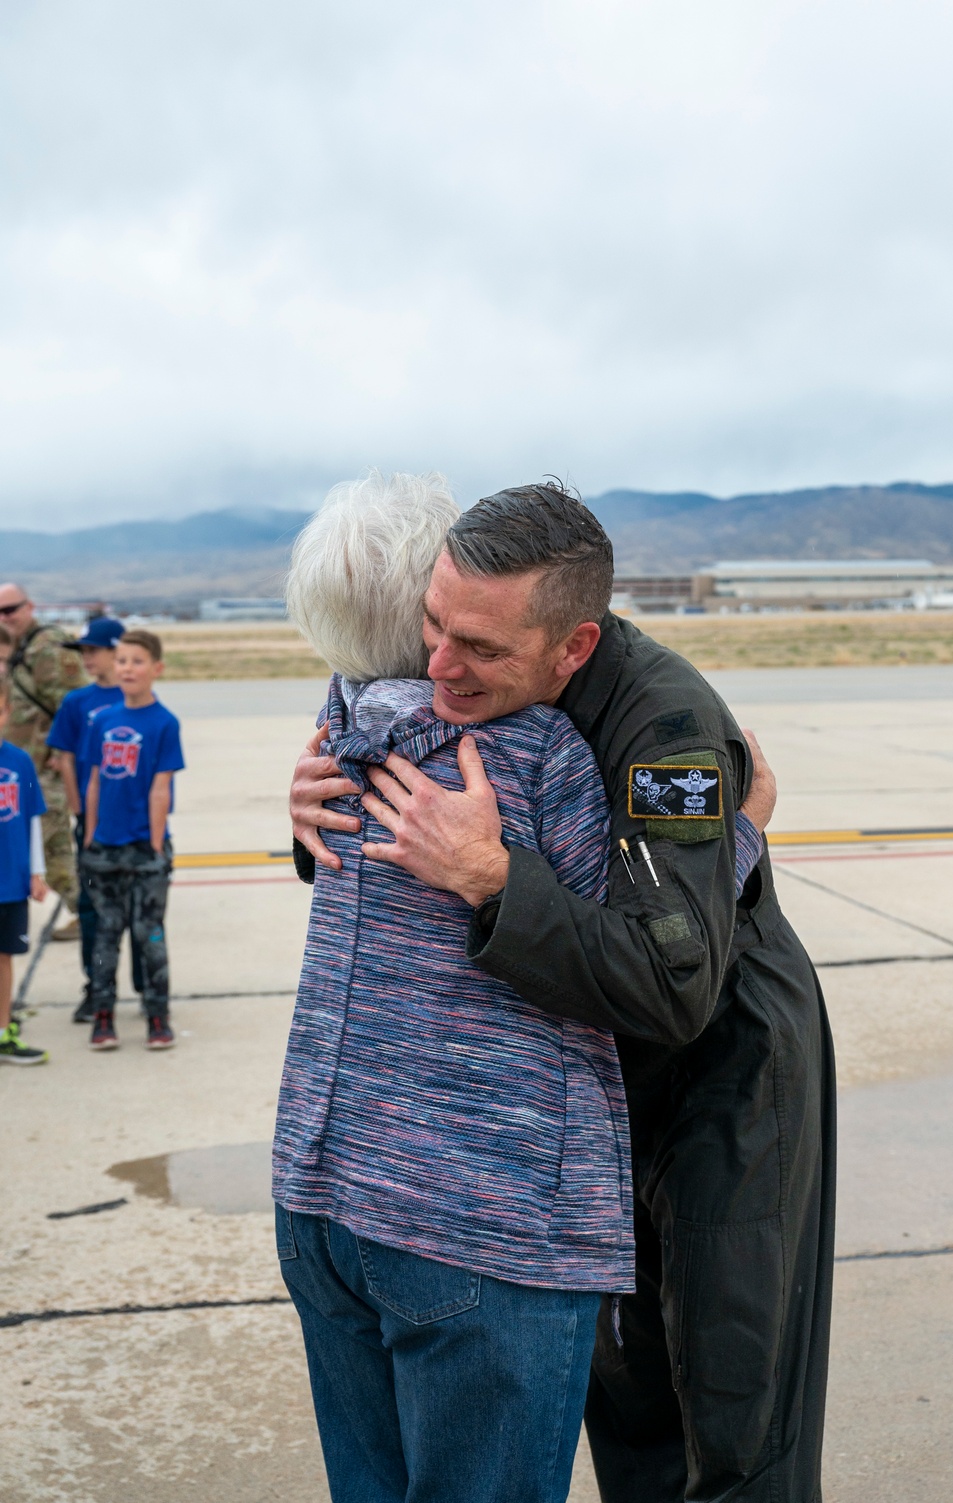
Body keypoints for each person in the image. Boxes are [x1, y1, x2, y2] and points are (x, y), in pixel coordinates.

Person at [290, 482, 835, 1503]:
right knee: (623, 1405)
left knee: (728, 1410)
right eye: (432, 627)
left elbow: (675, 982)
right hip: (582, 1073)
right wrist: (318, 819)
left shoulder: (665, 726)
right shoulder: (460, 671)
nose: (439, 669)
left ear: (572, 648)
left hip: (720, 1076)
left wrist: (496, 877)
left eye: (481, 652)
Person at [276, 470, 638, 1503]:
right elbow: (654, 946)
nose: (449, 657)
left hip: (321, 1191)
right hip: (480, 1214)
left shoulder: (338, 729)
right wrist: (740, 827)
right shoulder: (530, 756)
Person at [81, 630, 184, 1052]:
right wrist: (90, 836)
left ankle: (157, 1012)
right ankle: (102, 1012)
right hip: (105, 846)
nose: (127, 668)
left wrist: (156, 845)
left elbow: (161, 788)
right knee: (106, 933)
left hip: (146, 846)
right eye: (121, 660)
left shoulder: (164, 723)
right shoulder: (102, 721)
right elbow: (93, 782)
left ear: (156, 669)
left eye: (137, 661)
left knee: (149, 933)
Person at [46, 617, 144, 1023]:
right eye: (82, 651)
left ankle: (148, 988)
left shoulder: (137, 698)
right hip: (93, 822)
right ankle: (96, 989)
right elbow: (64, 756)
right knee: (92, 909)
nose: (86, 657)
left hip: (135, 824)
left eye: (93, 650)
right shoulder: (77, 702)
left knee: (142, 908)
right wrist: (78, 808)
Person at [0, 584, 87, 938]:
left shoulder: (48, 648)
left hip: (45, 769)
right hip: (23, 768)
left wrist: (61, 751)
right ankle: (85, 910)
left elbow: (76, 704)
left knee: (48, 844)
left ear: (30, 607)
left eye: (10, 610)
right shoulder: (19, 649)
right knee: (53, 848)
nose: (4, 618)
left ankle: (87, 911)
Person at [0, 677, 50, 1065]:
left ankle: (3, 1031)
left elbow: (33, 821)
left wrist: (36, 872)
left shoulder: (19, 760)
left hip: (11, 885)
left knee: (5, 957)